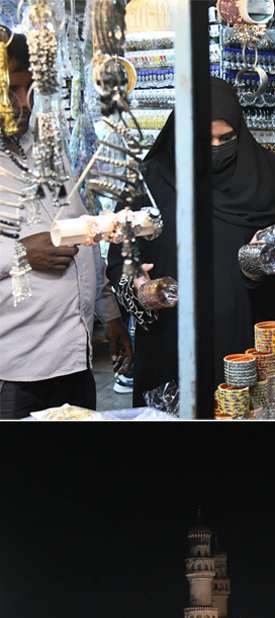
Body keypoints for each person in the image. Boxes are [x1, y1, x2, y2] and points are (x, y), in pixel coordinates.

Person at [109, 76, 275, 405]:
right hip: (173, 342)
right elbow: (120, 260)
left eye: (227, 138)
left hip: (248, 344)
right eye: (203, 139)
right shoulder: (150, 181)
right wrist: (137, 283)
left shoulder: (274, 181)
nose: (216, 148)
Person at [0, 33, 130, 417]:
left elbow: (80, 231)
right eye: (9, 92)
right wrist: (23, 253)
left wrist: (110, 314)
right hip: (15, 372)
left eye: (27, 90)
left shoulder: (48, 146)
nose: (22, 105)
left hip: (75, 361)